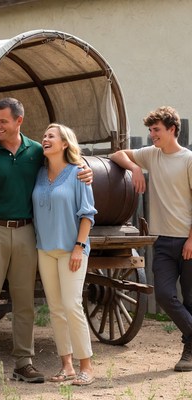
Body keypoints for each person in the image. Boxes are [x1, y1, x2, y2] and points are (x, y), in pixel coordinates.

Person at [0, 97, 93, 385]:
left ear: (19, 121)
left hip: (26, 233)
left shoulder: (36, 151)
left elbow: (68, 164)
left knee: (24, 302)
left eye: (3, 122)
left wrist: (86, 168)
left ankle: (24, 362)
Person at [110, 106, 192, 372]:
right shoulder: (151, 155)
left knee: (190, 300)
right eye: (150, 130)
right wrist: (134, 167)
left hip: (188, 240)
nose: (151, 134)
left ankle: (188, 352)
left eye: (156, 130)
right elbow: (117, 154)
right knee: (167, 295)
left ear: (172, 130)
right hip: (162, 241)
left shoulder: (188, 160)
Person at [32, 123, 97, 386]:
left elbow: (87, 214)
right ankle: (66, 365)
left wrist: (78, 248)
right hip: (44, 250)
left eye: (51, 136)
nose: (45, 139)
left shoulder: (79, 173)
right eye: (44, 135)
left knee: (72, 306)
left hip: (72, 249)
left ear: (65, 144)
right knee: (57, 309)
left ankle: (87, 366)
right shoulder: (38, 174)